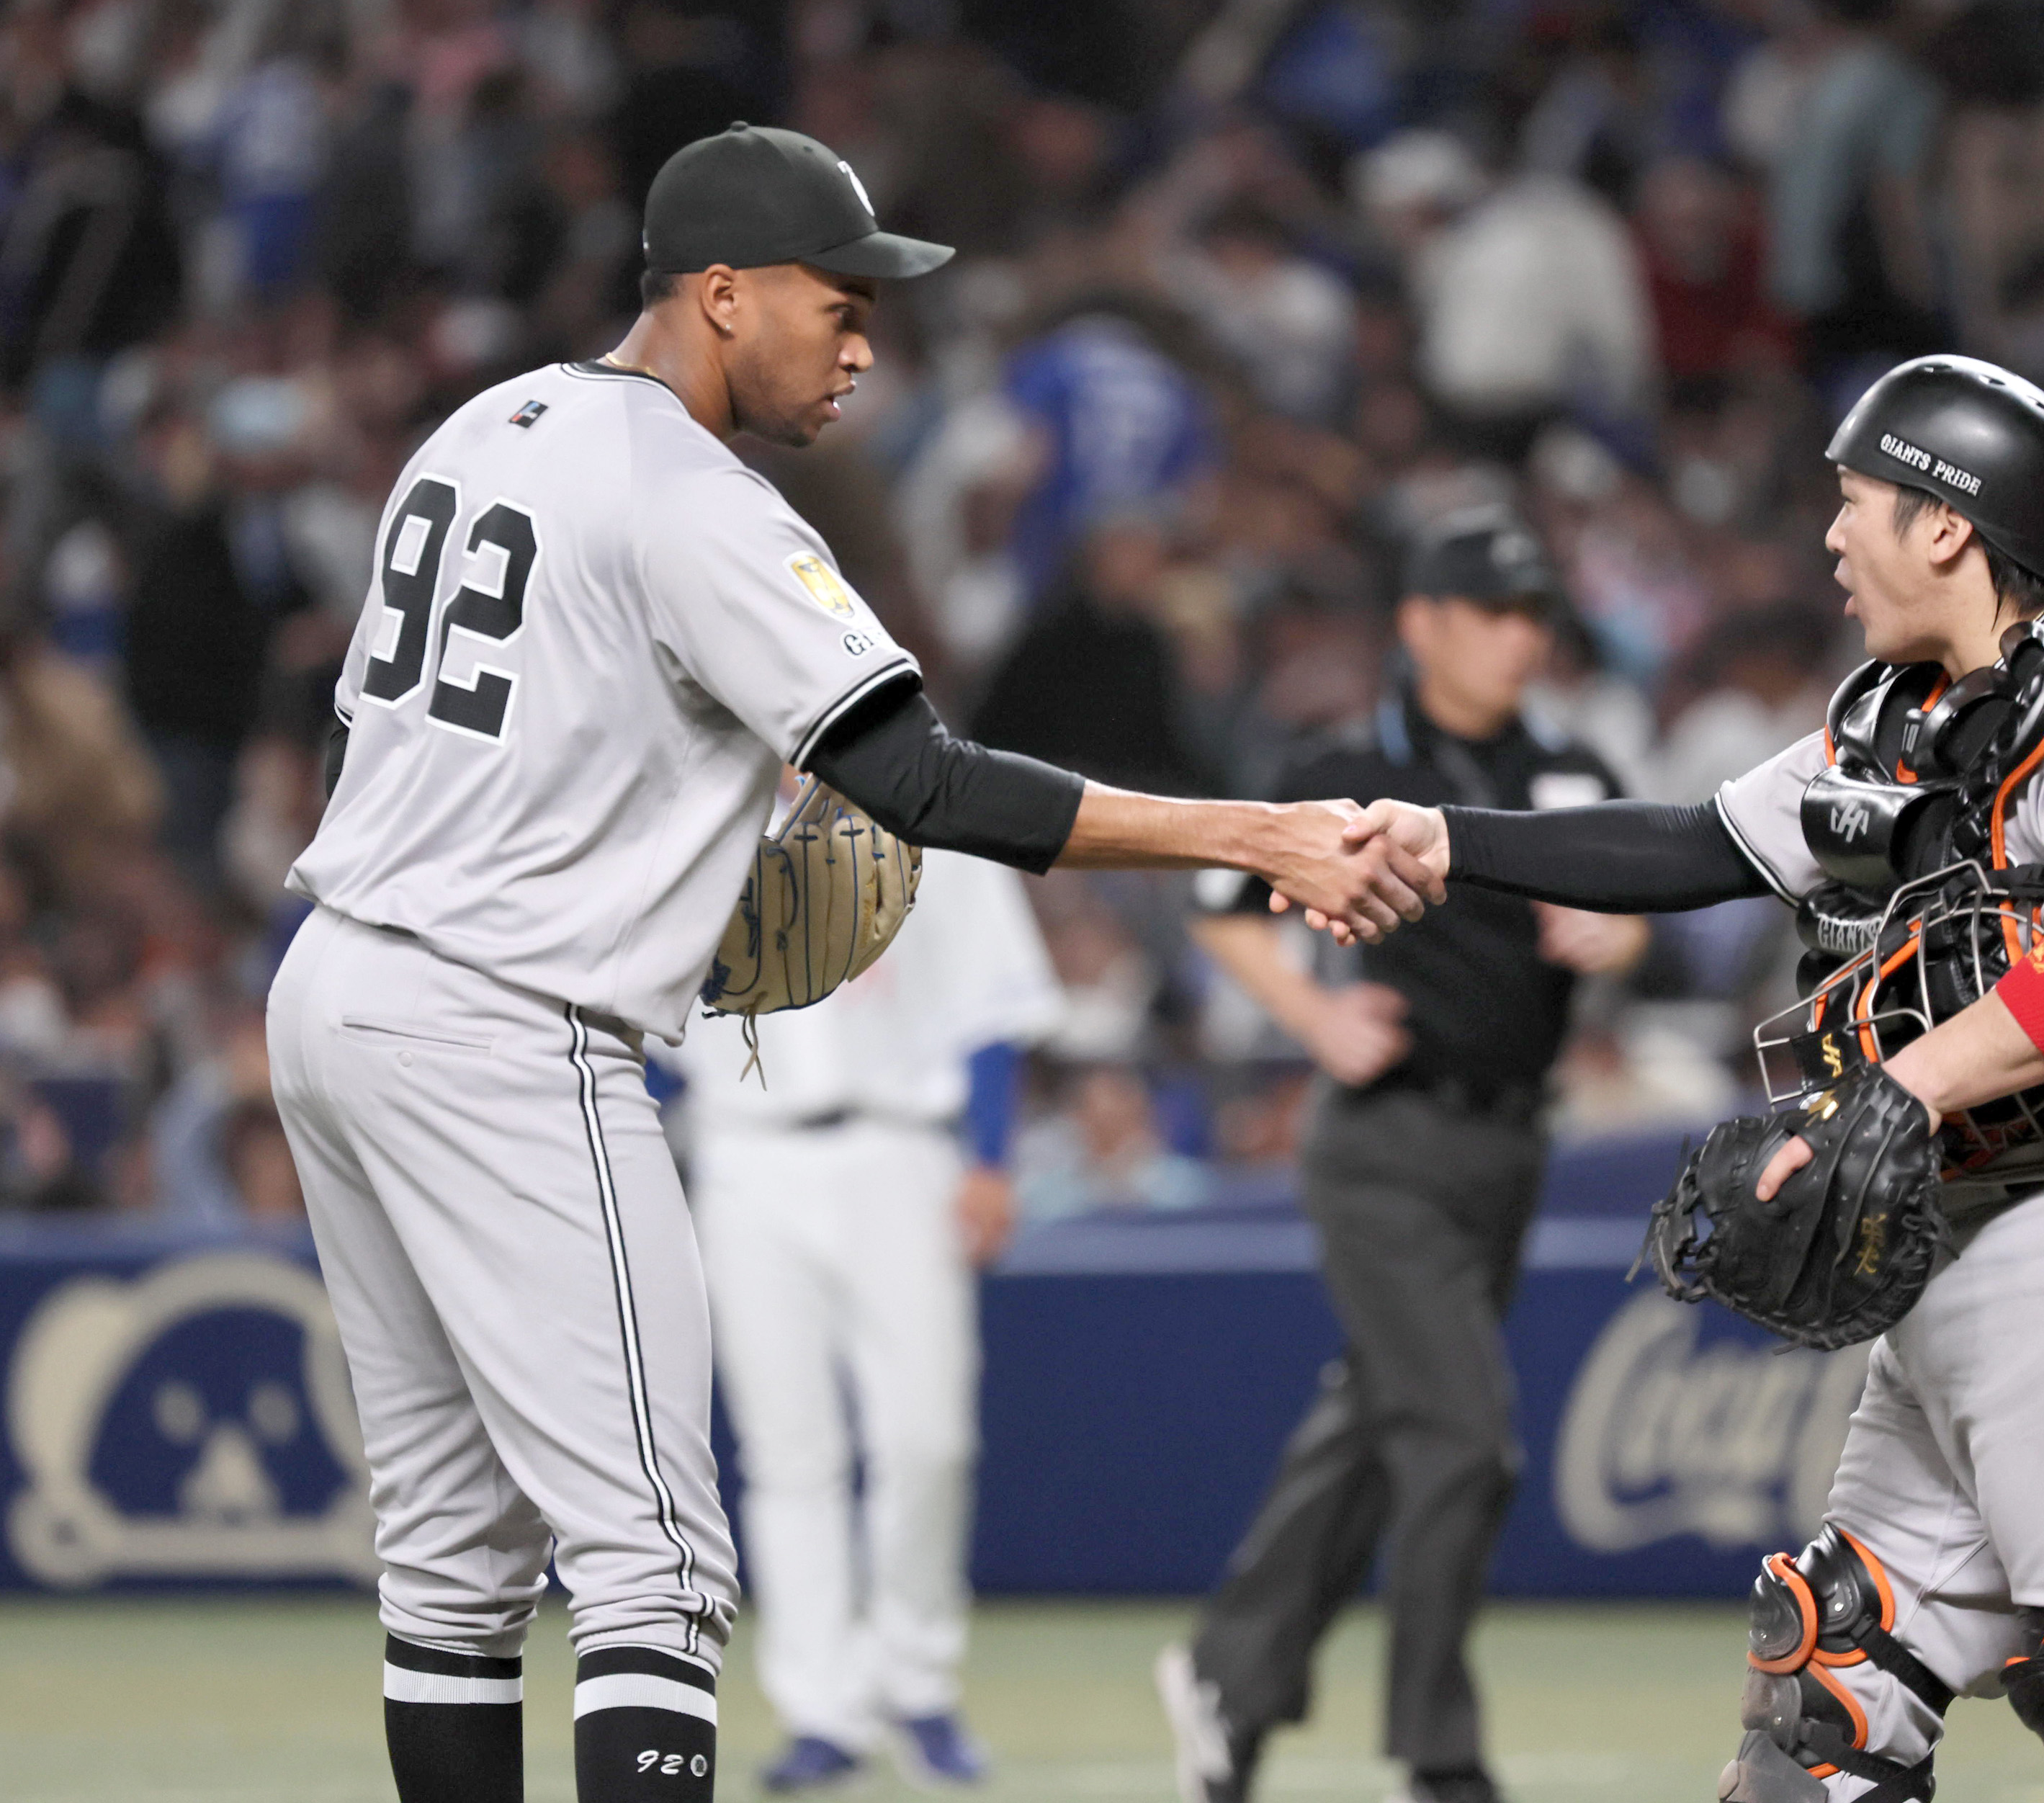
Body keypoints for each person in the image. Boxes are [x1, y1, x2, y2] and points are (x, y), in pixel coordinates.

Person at [265, 122, 1438, 1803]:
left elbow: (368, 737)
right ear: (722, 293)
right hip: (504, 1022)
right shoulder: (692, 496)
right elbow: (924, 785)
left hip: (337, 986)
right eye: (838, 303)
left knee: (451, 1555)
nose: (864, 346)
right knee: (655, 1561)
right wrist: (1259, 834)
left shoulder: (481, 430)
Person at [1340, 357, 2044, 1803]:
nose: (1833, 536)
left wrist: (1897, 1091)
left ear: (1948, 524)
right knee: (1827, 1698)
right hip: (1960, 1256)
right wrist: (1447, 840)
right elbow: (1693, 845)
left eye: (1858, 502)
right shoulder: (1898, 717)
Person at [1160, 509, 1647, 1803]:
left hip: (1510, 1144)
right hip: (1384, 1141)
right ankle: (1438, 1756)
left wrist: (1621, 937)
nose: (1521, 638)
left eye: (1535, 615)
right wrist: (1314, 1015)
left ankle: (1230, 1676)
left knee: (1389, 1420)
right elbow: (1216, 906)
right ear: (1422, 622)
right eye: (1495, 612)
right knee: (1466, 1440)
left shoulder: (1569, 768)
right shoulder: (1346, 764)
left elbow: (1638, 904)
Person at [671, 847, 1061, 1794]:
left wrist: (992, 1158)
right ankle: (822, 1710)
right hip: (743, 1152)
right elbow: (643, 1026)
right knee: (788, 1451)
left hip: (902, 1144)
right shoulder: (686, 810)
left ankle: (915, 1683)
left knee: (929, 1437)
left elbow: (992, 996)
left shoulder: (925, 811)